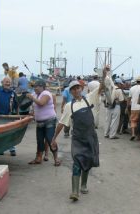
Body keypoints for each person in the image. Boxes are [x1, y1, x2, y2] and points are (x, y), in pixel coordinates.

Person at [51, 69, 106, 201]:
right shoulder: (69, 106)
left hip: (90, 137)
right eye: (73, 89)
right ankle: (75, 191)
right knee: (77, 163)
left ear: (81, 88)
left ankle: (84, 185)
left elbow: (102, 87)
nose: (76, 91)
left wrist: (104, 75)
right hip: (77, 139)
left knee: (87, 162)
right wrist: (53, 139)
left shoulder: (90, 98)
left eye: (77, 88)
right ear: (70, 92)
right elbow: (61, 123)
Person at [26, 80, 61, 166]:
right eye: (34, 86)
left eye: (38, 86)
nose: (35, 88)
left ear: (43, 87)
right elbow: (34, 106)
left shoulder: (46, 93)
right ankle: (38, 158)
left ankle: (56, 158)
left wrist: (32, 98)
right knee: (40, 140)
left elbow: (41, 103)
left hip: (49, 120)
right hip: (39, 122)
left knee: (50, 139)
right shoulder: (35, 94)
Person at [0, 77, 18, 156]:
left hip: (9, 115)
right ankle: (0, 149)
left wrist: (18, 115)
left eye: (9, 82)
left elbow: (16, 105)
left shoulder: (12, 92)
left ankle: (12, 149)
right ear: (2, 83)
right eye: (6, 82)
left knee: (11, 133)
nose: (8, 83)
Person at [128, 76, 140, 141]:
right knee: (139, 122)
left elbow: (129, 98)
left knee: (133, 121)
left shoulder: (131, 88)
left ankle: (133, 134)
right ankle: (139, 137)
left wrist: (128, 106)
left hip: (133, 107)